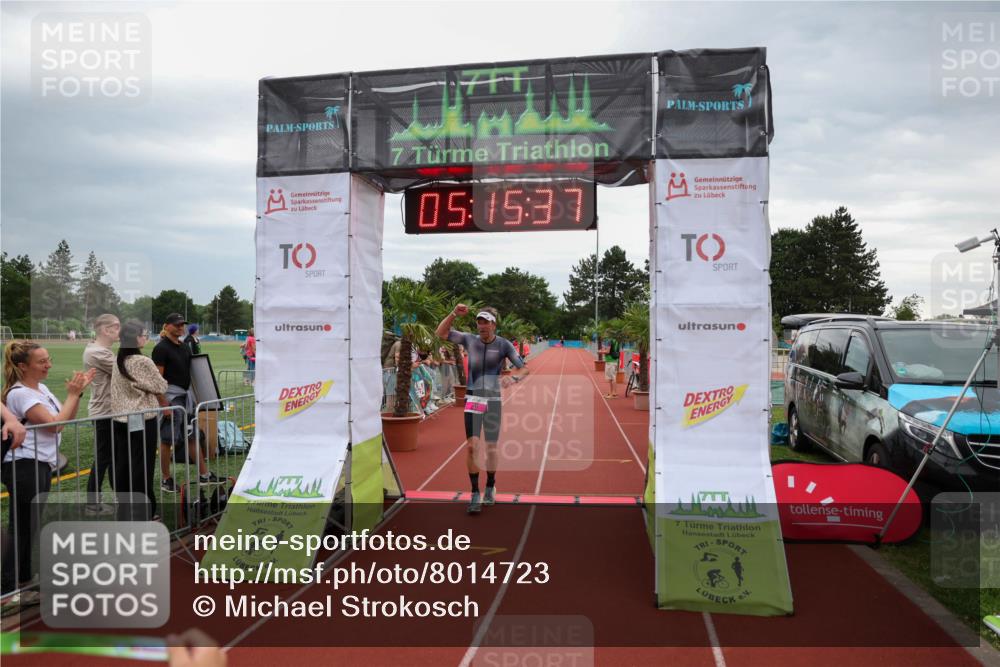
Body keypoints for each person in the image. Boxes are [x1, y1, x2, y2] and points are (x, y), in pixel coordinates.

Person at [1, 341, 94, 599]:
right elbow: (54, 425)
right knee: (22, 526)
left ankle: (23, 578)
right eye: (42, 362)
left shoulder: (39, 389)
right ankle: (8, 587)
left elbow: (64, 421)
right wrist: (73, 396)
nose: (48, 365)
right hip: (24, 465)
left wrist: (77, 395)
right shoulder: (20, 393)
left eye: (48, 359)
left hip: (39, 463)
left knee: (28, 525)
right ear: (22, 366)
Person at [436, 305, 528, 514]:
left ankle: (490, 485)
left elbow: (524, 368)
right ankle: (475, 491)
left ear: (494, 324)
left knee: (492, 448)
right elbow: (440, 333)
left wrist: (514, 377)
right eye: (479, 321)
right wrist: (452, 314)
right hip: (473, 399)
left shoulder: (504, 345)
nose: (482, 325)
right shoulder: (470, 340)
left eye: (486, 322)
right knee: (472, 447)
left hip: (493, 400)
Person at [151, 313, 221, 493]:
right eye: (176, 324)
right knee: (167, 440)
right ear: (166, 326)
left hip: (186, 399)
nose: (180, 327)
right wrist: (163, 404)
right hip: (171, 400)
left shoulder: (184, 347)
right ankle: (166, 479)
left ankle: (204, 475)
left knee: (192, 436)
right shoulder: (161, 349)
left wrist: (198, 395)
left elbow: (191, 374)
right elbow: (157, 380)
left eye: (182, 324)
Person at [110, 322, 169, 520]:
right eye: (143, 335)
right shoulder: (141, 361)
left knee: (123, 465)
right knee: (142, 467)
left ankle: (126, 509)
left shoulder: (119, 360)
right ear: (135, 338)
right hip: (141, 419)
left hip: (119, 419)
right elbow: (161, 385)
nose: (146, 338)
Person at [82, 313, 120, 515]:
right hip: (104, 412)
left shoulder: (100, 350)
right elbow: (125, 372)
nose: (119, 331)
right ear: (106, 330)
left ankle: (117, 497)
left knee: (112, 457)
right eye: (117, 327)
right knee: (104, 457)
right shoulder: (98, 352)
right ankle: (92, 503)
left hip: (109, 411)